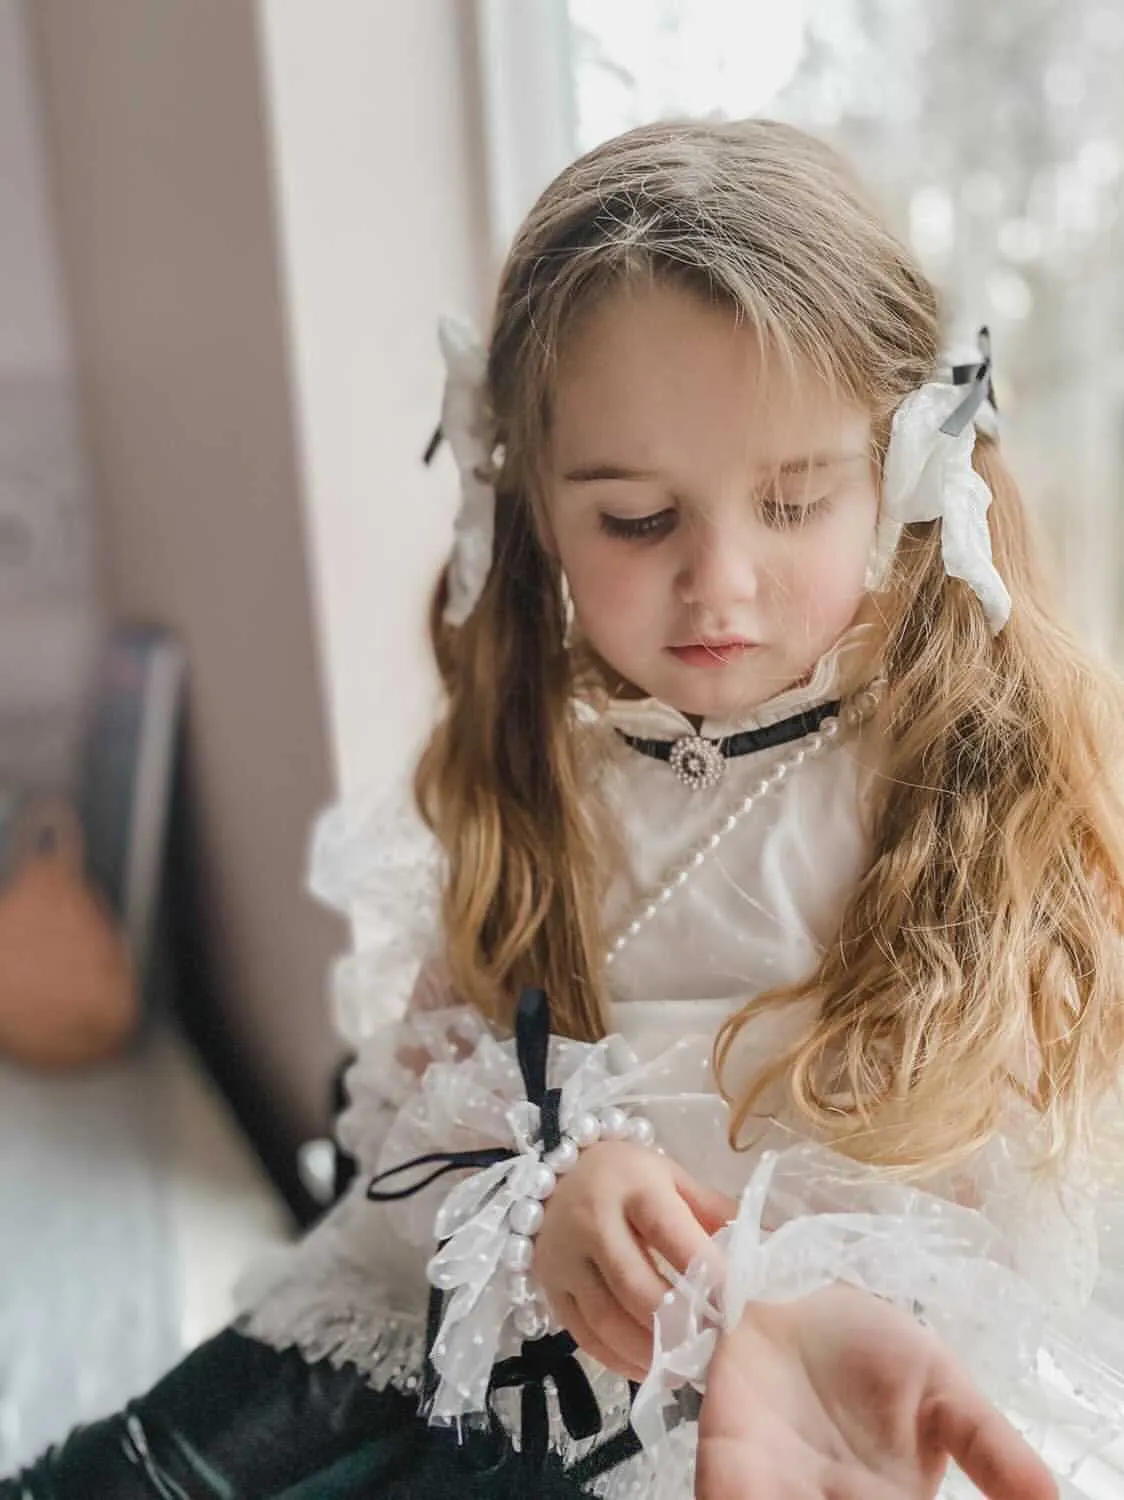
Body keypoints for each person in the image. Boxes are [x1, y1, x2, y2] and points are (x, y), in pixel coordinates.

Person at [7, 116, 1124, 1500]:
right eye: (638, 521)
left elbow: (993, 1211)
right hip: (472, 1328)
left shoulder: (944, 787)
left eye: (790, 502)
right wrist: (537, 1192)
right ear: (534, 509)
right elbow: (424, 1092)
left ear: (902, 471)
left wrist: (748, 1303)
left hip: (770, 1408)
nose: (720, 583)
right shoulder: (550, 772)